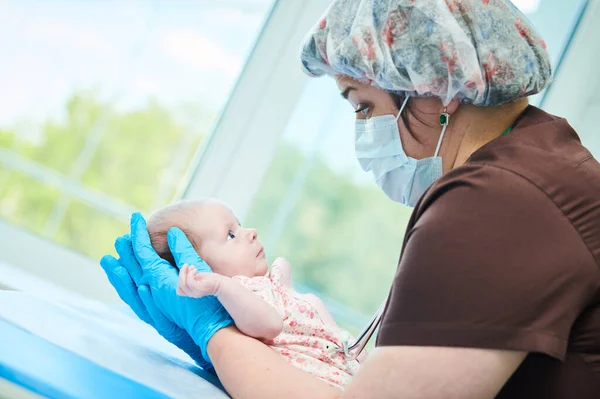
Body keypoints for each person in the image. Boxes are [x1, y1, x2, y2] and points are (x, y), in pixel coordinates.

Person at [100, 0, 600, 397]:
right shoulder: (540, 163)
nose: (363, 131)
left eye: (364, 105)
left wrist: (215, 334)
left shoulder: (499, 203)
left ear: (437, 86)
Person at [146, 198, 362, 389]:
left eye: (239, 225)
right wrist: (220, 286)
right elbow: (269, 324)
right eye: (230, 235)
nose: (251, 232)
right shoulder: (237, 295)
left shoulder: (262, 286)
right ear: (201, 270)